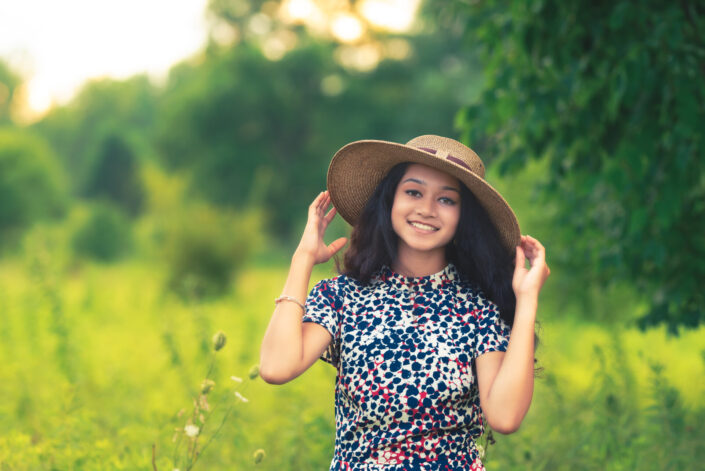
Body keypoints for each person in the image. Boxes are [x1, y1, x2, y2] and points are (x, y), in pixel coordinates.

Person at [259, 135, 550, 470]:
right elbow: (275, 368)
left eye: (446, 200)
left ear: (462, 218)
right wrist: (303, 258)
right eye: (413, 192)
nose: (426, 209)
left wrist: (526, 301)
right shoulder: (344, 296)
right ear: (391, 201)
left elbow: (505, 416)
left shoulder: (477, 308)